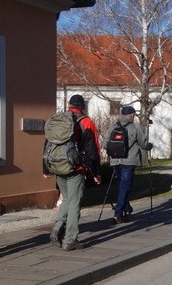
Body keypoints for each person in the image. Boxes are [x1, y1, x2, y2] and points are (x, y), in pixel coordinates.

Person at [44, 94, 101, 251]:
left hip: (57, 166)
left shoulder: (57, 120)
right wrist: (96, 172)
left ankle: (56, 230)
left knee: (67, 199)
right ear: (82, 107)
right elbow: (93, 150)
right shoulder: (86, 122)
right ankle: (70, 240)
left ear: (69, 105)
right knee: (75, 203)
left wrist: (45, 168)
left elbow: (48, 144)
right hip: (75, 168)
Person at [105, 106, 151, 223]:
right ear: (131, 115)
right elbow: (143, 144)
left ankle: (126, 209)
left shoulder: (113, 127)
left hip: (115, 161)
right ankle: (118, 213)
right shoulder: (135, 127)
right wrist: (149, 146)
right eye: (134, 115)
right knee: (125, 187)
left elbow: (105, 145)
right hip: (129, 161)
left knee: (123, 186)